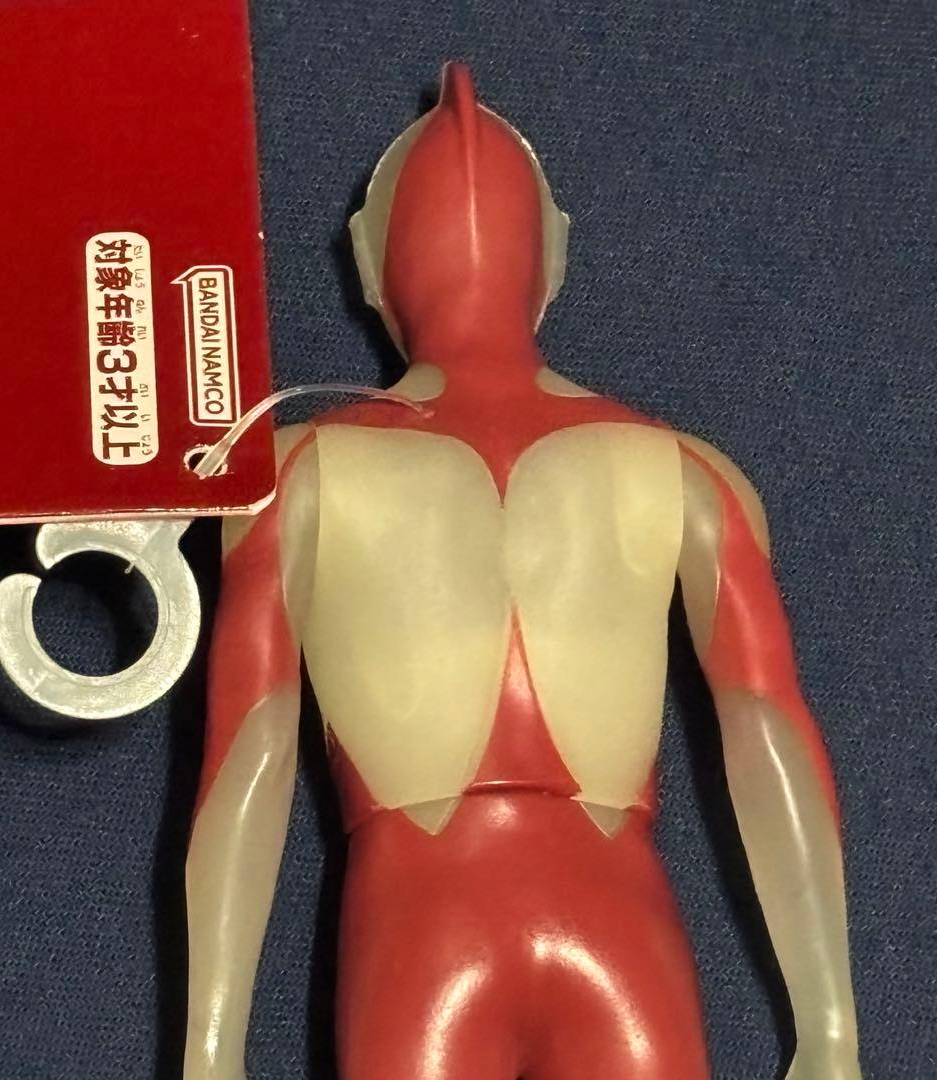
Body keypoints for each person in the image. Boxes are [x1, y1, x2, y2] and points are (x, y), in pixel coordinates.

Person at [182, 62, 862, 1080]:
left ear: (369, 263)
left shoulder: (297, 474)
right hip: (618, 926)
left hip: (421, 927)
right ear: (555, 257)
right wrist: (831, 1029)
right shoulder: (689, 473)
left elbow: (250, 751)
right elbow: (767, 727)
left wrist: (210, 1049)